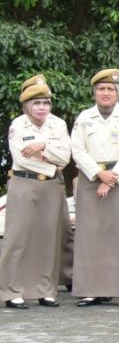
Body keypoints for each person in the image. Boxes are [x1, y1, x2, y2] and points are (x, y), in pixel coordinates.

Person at [70, 68, 119, 309]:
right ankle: (91, 289)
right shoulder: (84, 118)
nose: (105, 93)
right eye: (101, 89)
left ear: (117, 92)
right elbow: (77, 150)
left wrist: (110, 179)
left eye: (110, 89)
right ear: (94, 93)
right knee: (90, 235)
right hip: (91, 178)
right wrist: (98, 174)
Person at [1, 77, 71, 309]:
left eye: (45, 102)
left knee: (48, 239)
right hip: (24, 183)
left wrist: (42, 147)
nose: (42, 107)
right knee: (18, 238)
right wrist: (53, 163)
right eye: (36, 103)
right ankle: (12, 291)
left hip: (51, 187)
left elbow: (66, 157)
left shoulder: (58, 124)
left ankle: (45, 290)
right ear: (26, 106)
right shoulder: (18, 125)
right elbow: (22, 158)